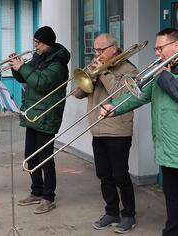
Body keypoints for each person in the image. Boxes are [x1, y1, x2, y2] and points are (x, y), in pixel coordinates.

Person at [100, 28, 178, 236]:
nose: (156, 53)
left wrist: (164, 76)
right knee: (173, 200)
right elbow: (140, 95)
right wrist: (113, 106)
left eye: (160, 48)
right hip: (168, 148)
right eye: (155, 49)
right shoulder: (165, 70)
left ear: (176, 46)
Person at [74, 34, 138, 233]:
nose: (97, 54)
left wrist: (103, 72)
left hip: (118, 130)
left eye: (101, 50)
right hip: (98, 128)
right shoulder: (96, 67)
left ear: (114, 48)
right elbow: (78, 93)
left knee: (120, 175)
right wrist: (91, 75)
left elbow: (120, 96)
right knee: (104, 175)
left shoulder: (129, 68)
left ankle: (128, 214)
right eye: (95, 50)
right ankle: (111, 212)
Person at [9, 26, 70, 214]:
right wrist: (15, 66)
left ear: (47, 43)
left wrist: (24, 67)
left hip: (47, 115)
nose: (35, 46)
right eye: (34, 41)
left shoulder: (58, 64)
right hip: (33, 114)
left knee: (46, 159)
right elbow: (24, 78)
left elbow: (42, 83)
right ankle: (36, 191)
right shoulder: (39, 58)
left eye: (38, 42)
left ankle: (48, 197)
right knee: (31, 156)